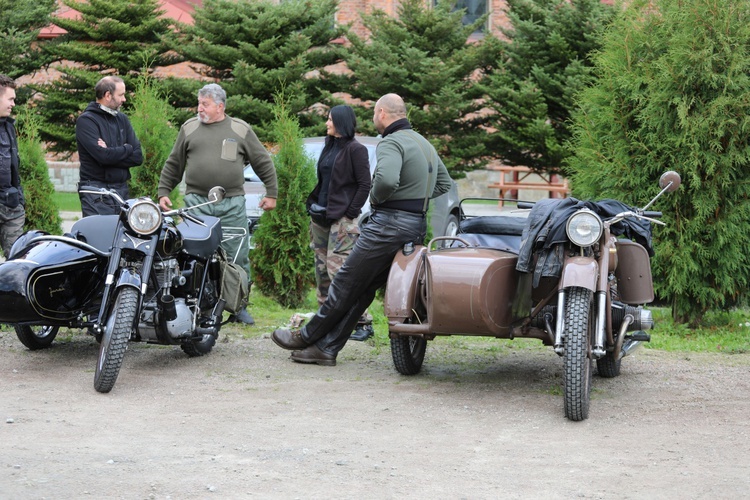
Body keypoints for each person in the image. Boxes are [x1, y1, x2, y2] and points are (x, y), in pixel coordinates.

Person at [272, 93, 452, 365]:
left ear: (382, 112)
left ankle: (306, 335)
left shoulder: (392, 142)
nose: (372, 119)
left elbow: (387, 181)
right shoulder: (424, 143)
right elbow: (443, 183)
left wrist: (380, 200)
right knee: (364, 288)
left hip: (387, 225)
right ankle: (327, 349)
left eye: (373, 114)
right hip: (414, 225)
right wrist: (415, 198)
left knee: (345, 281)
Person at [158, 83, 277, 325]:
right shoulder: (189, 128)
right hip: (196, 203)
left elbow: (262, 161)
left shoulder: (239, 129)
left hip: (231, 203)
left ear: (220, 107)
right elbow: (174, 163)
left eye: (205, 104)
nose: (199, 108)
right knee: (193, 254)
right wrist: (163, 191)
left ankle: (238, 307)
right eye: (199, 103)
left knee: (236, 256)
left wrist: (271, 192)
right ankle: (199, 305)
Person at [306, 105, 374, 341]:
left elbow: (365, 184)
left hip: (341, 222)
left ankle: (363, 322)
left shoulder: (356, 150)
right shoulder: (329, 145)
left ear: (341, 123)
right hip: (320, 217)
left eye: (330, 120)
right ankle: (325, 321)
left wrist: (350, 213)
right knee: (322, 272)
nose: (326, 123)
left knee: (340, 273)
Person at [76, 76, 143, 216]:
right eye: (121, 95)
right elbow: (103, 157)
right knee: (101, 235)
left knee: (121, 236)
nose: (124, 99)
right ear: (107, 95)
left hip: (121, 191)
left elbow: (137, 157)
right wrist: (127, 148)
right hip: (96, 194)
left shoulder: (122, 119)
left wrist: (112, 152)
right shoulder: (87, 121)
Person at [0, 74, 25, 258]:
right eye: (10, 99)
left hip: (11, 206)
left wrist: (19, 198)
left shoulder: (9, 127)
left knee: (17, 262)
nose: (13, 104)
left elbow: (13, 166)